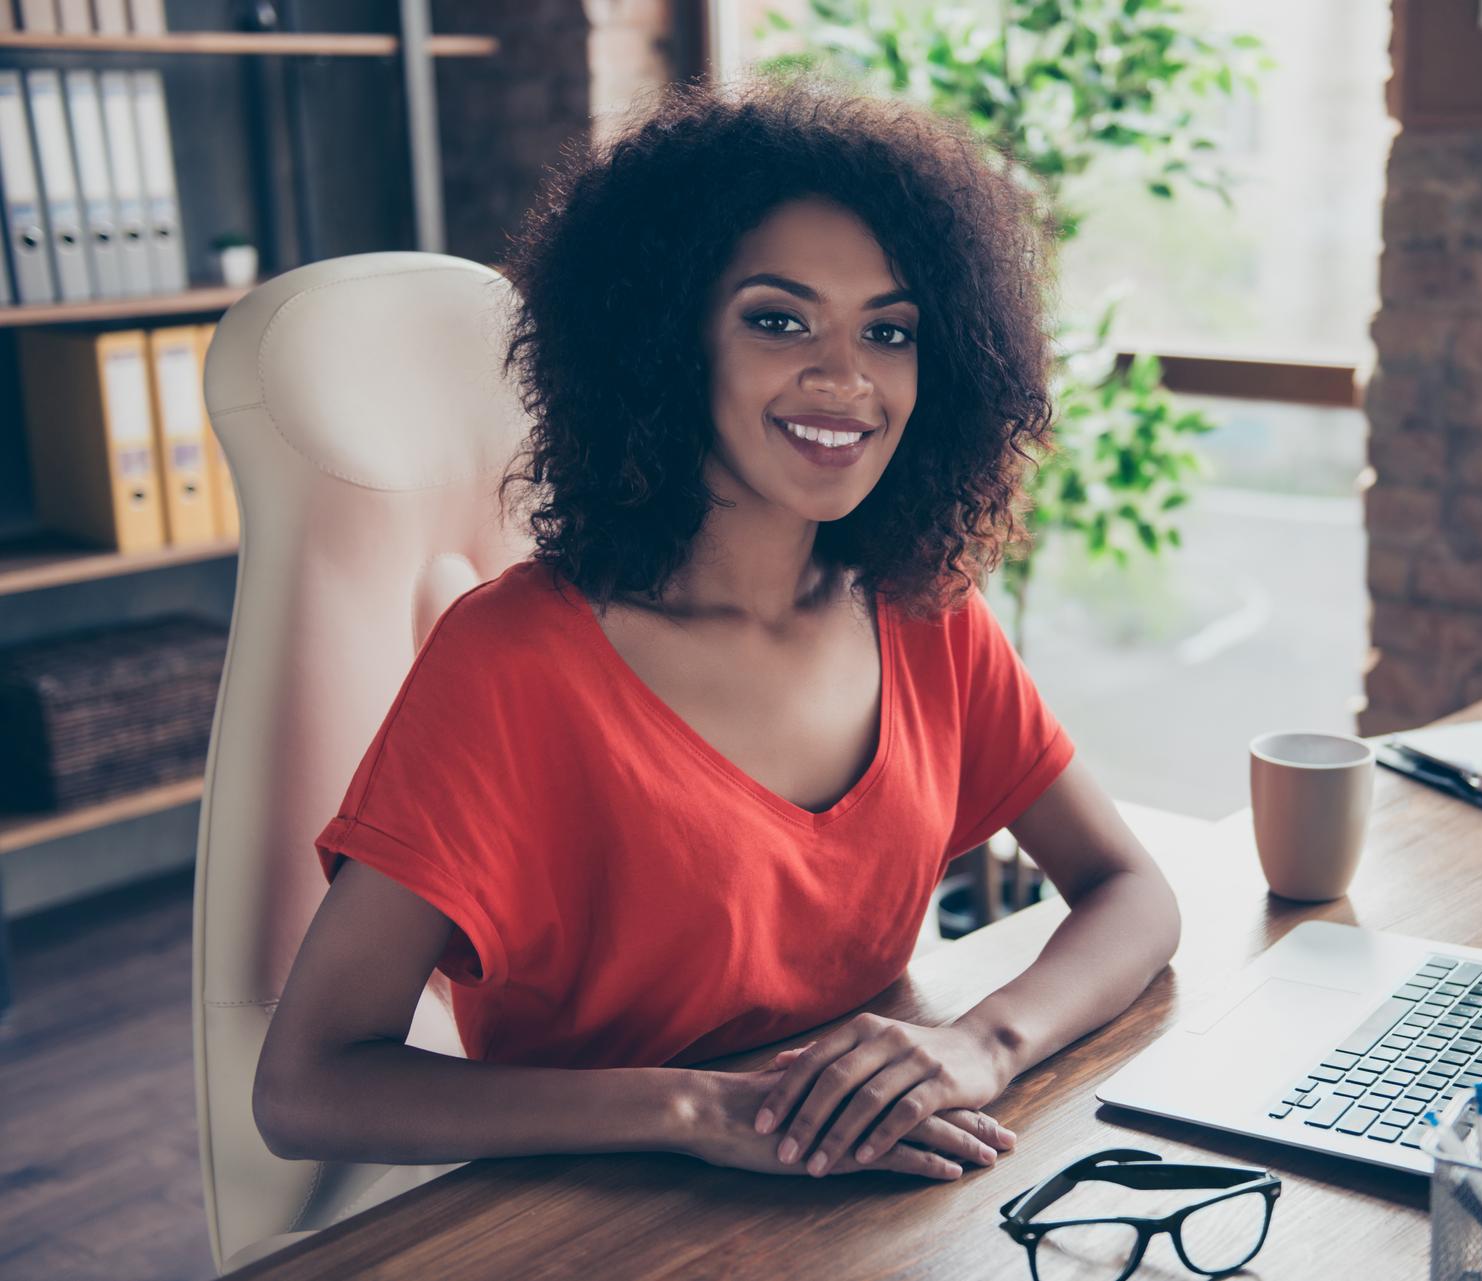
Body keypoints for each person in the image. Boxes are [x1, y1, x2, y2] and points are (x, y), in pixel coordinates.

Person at [253, 73, 1181, 1186]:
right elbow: (305, 1085)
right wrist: (695, 1109)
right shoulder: (511, 667)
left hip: (883, 1203)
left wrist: (978, 1044)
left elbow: (1136, 895)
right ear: (664, 339)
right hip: (593, 1231)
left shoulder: (924, 613)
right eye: (780, 320)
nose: (846, 380)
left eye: (889, 331)